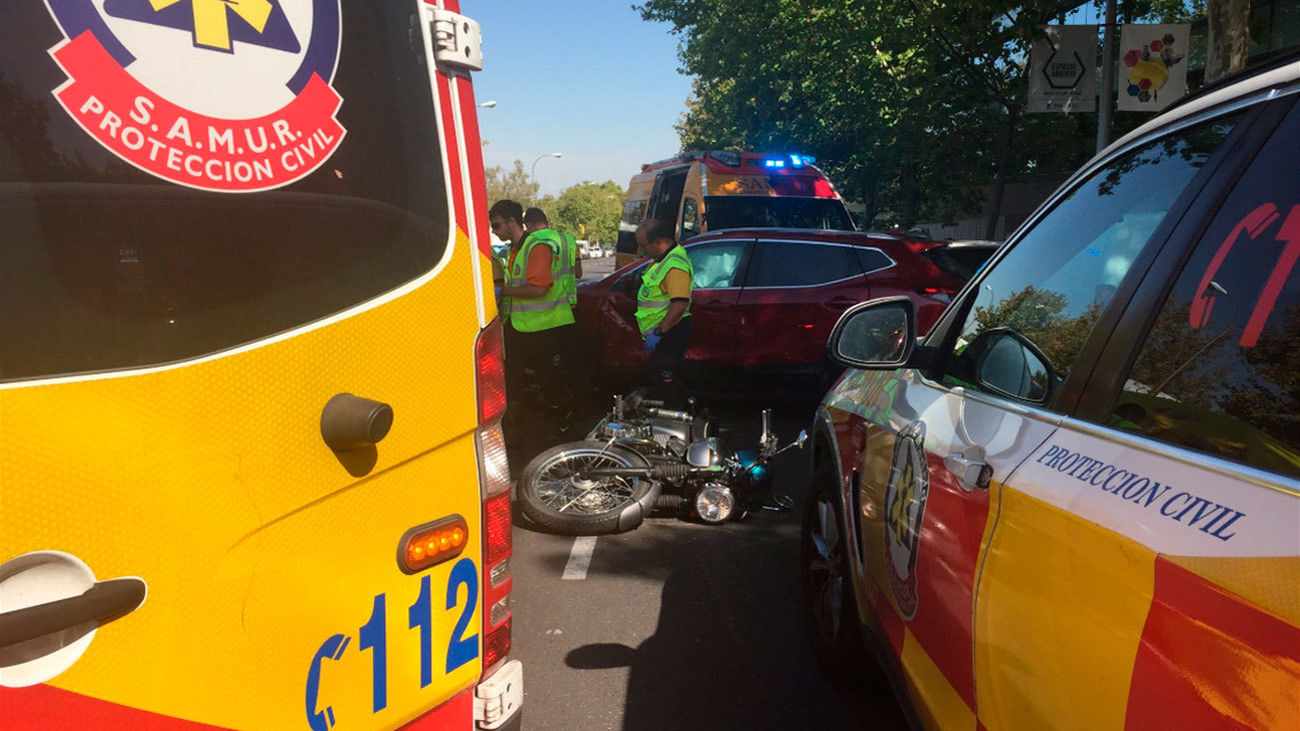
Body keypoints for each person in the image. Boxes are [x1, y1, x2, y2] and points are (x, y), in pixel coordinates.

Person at [490, 199, 575, 462]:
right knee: (513, 383)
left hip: (546, 327)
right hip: (520, 327)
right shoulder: (515, 250)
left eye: (496, 225)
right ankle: (515, 438)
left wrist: (502, 291)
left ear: (511, 222)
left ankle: (565, 433)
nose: (494, 231)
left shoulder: (536, 247)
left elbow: (539, 289)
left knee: (551, 384)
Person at [522, 206, 596, 416]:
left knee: (549, 365)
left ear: (528, 225)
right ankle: (584, 406)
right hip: (570, 308)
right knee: (575, 361)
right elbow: (578, 273)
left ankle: (558, 408)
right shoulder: (568, 240)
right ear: (546, 222)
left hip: (544, 312)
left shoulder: (530, 243)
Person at [634, 218, 694, 410]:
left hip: (670, 333)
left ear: (658, 241)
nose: (642, 250)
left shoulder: (674, 265)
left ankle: (675, 420)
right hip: (663, 334)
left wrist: (659, 332)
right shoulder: (661, 260)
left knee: (669, 383)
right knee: (662, 381)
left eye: (643, 245)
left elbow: (680, 303)